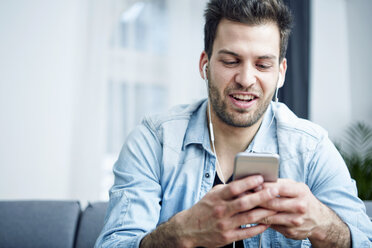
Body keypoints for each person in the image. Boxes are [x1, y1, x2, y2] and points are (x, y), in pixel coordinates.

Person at [95, 0, 372, 247]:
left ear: (281, 73)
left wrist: (324, 226)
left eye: (263, 65)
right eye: (230, 61)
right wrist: (182, 233)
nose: (246, 79)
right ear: (205, 64)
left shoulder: (312, 149)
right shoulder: (154, 140)